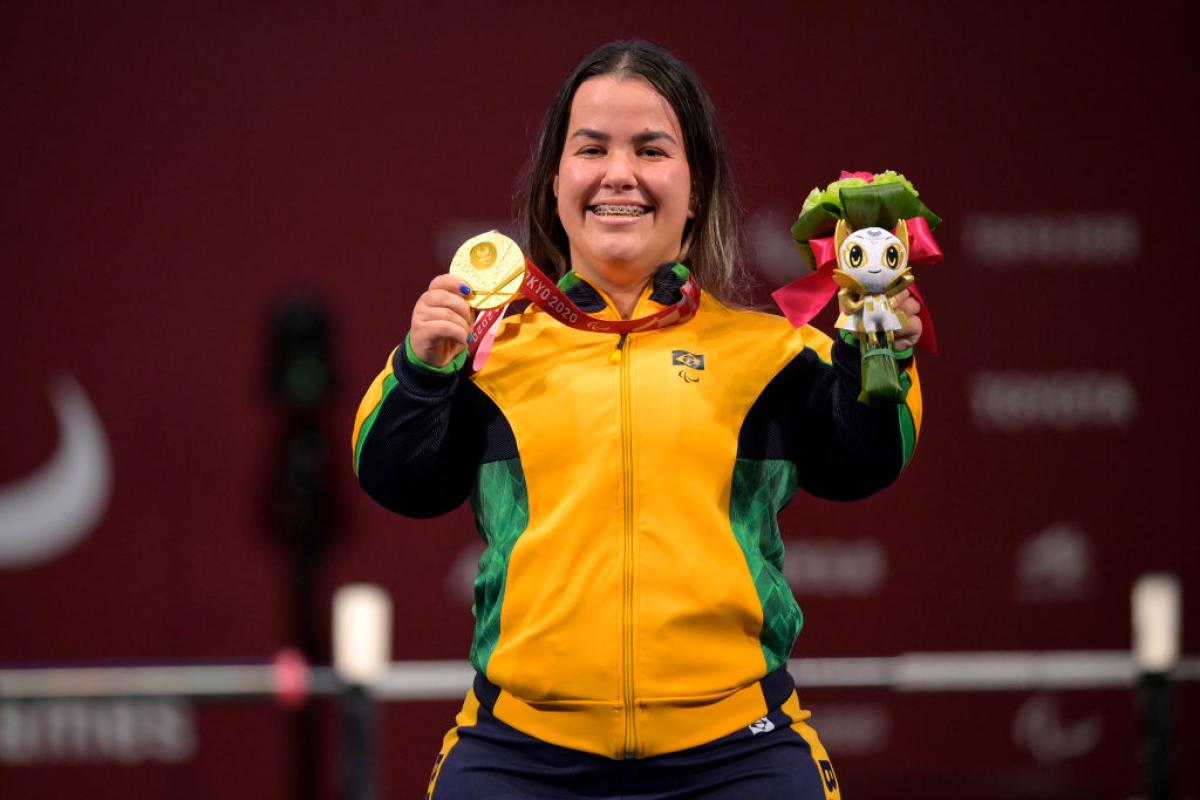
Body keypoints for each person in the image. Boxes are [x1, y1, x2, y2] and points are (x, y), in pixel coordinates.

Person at [352, 40, 923, 800]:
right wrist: (424, 368)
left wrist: (873, 353)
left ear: (696, 189)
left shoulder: (771, 352)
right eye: (591, 149)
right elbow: (397, 478)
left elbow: (866, 460)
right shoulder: (487, 352)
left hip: (737, 753)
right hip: (522, 752)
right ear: (556, 185)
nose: (618, 173)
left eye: (651, 149)